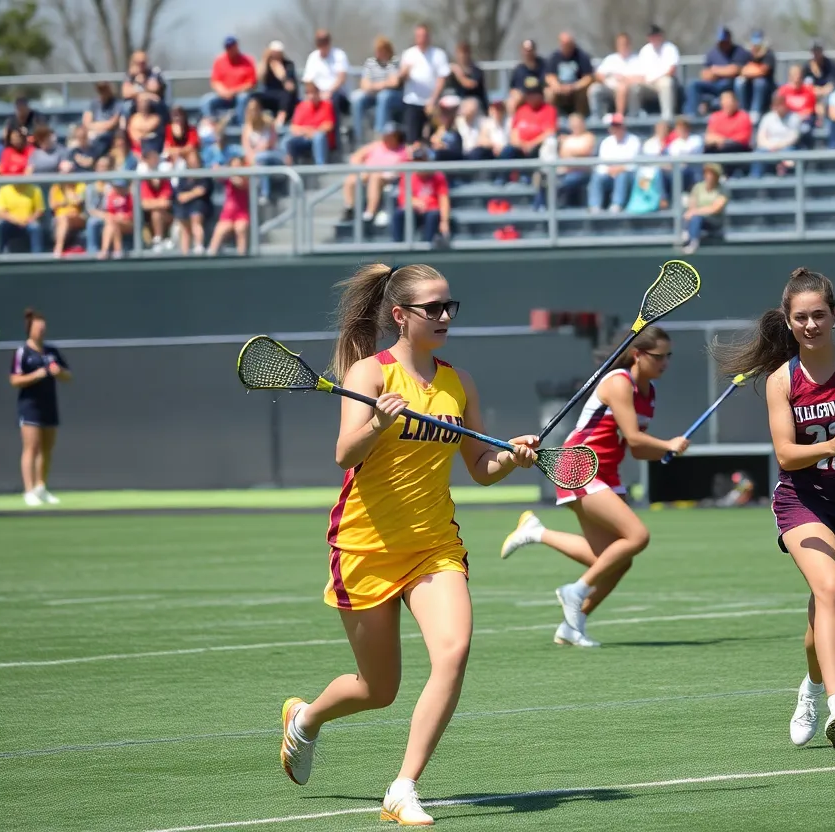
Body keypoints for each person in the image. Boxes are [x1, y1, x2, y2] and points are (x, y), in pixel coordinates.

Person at [277, 263, 539, 826]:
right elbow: (346, 453)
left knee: (453, 652)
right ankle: (305, 718)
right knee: (378, 688)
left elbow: (480, 467)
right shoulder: (370, 374)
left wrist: (511, 457)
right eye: (433, 309)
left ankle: (402, 786)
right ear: (400, 315)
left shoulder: (458, 381)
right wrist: (378, 422)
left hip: (434, 544)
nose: (445, 317)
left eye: (451, 307)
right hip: (366, 545)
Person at [713, 268, 835, 750]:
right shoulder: (783, 380)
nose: (810, 325)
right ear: (788, 321)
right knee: (828, 587)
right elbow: (785, 454)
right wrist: (828, 447)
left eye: (818, 315)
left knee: (827, 609)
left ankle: (811, 685)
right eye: (800, 317)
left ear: (834, 315)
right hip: (805, 501)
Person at [500, 326, 689, 648]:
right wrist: (667, 443)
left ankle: (571, 622)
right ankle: (575, 589)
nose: (665, 363)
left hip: (608, 472)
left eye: (669, 356)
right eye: (659, 356)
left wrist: (667, 450)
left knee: (615, 559)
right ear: (638, 354)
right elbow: (634, 437)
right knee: (637, 536)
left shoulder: (649, 393)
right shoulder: (619, 383)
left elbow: (639, 450)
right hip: (577, 465)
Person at [9, 308, 72, 506]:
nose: (42, 330)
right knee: (31, 447)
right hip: (30, 407)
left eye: (44, 326)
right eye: (38, 326)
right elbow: (14, 380)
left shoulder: (52, 352)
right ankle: (29, 491)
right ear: (30, 329)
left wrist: (58, 371)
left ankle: (41, 487)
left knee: (47, 449)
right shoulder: (22, 352)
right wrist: (37, 375)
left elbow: (68, 376)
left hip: (49, 405)